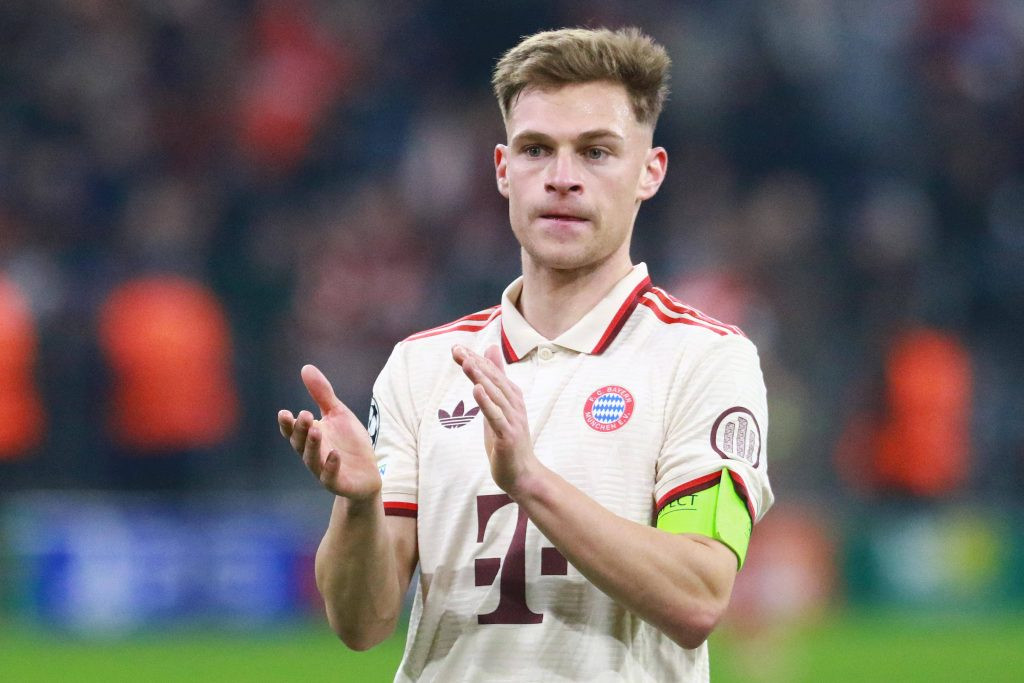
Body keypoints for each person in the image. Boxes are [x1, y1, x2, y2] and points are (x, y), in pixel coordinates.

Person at [278, 27, 773, 682]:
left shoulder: (704, 359)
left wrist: (531, 482)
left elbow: (698, 596)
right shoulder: (422, 366)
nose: (562, 179)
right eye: (537, 149)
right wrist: (362, 505)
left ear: (649, 172)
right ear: (503, 169)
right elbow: (360, 623)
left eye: (596, 152)